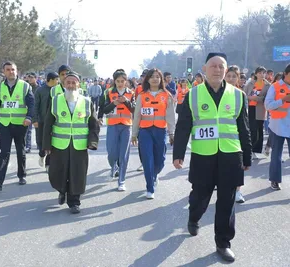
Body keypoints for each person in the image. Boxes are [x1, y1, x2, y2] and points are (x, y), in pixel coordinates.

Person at [173, 52, 252, 262]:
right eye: (213, 66)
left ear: (226, 70)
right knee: (200, 196)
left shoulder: (238, 95)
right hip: (203, 156)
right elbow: (183, 127)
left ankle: (223, 243)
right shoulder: (193, 94)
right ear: (205, 69)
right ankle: (194, 217)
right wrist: (178, 154)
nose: (217, 70)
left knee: (227, 201)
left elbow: (244, 128)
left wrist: (248, 156)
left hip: (231, 154)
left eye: (221, 66)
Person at [43, 71, 100, 214]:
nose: (71, 85)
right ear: (63, 84)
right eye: (68, 82)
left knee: (77, 174)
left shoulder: (87, 102)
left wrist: (92, 142)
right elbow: (48, 124)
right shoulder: (56, 100)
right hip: (59, 144)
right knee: (58, 173)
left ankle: (74, 202)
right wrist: (46, 145)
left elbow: (94, 124)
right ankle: (62, 190)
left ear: (78, 84)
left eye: (73, 82)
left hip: (79, 145)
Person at [0, 61, 34, 191]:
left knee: (20, 151)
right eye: (8, 69)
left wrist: (29, 117)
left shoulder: (25, 86)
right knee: (4, 151)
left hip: (20, 124)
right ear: (4, 72)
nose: (11, 72)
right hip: (5, 124)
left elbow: (31, 103)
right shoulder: (0, 87)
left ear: (17, 71)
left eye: (13, 69)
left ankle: (22, 175)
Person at [131, 68, 175, 199]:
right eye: (152, 77)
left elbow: (171, 116)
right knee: (147, 159)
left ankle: (154, 175)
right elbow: (137, 115)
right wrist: (134, 133)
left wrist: (172, 133)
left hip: (161, 131)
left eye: (157, 76)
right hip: (145, 131)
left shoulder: (167, 95)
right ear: (147, 79)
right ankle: (150, 187)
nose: (155, 79)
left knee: (160, 160)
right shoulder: (142, 95)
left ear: (161, 79)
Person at [103, 69, 136, 190]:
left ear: (126, 81)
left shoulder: (131, 93)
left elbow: (134, 110)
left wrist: (126, 102)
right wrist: (114, 103)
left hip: (126, 126)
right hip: (113, 125)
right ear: (114, 81)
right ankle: (113, 166)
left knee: (124, 154)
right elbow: (104, 109)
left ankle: (121, 181)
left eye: (123, 81)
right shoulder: (109, 92)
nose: (120, 83)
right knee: (112, 153)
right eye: (118, 81)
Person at [264, 64, 290, 190]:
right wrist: (283, 99)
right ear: (286, 73)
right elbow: (268, 105)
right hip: (278, 125)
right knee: (276, 155)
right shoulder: (275, 86)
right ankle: (275, 180)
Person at [224, 65, 246, 203]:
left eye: (234, 76)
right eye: (229, 76)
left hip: (236, 137)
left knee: (238, 165)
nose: (231, 79)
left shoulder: (240, 94)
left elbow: (244, 120)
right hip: (219, 138)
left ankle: (237, 191)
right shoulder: (217, 93)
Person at [33, 72, 59, 172]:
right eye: (56, 79)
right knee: (40, 141)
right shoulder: (40, 90)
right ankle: (41, 154)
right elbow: (35, 106)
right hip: (41, 120)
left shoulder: (58, 90)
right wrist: (35, 120)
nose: (58, 81)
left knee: (51, 143)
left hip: (53, 121)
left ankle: (48, 164)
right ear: (51, 80)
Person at [244, 66, 270, 159]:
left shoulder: (268, 85)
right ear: (256, 74)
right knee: (252, 129)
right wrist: (250, 97)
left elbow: (267, 98)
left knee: (259, 130)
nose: (261, 75)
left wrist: (258, 98)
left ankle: (257, 150)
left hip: (261, 109)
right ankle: (251, 150)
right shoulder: (250, 83)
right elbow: (244, 94)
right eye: (259, 73)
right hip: (251, 107)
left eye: (263, 73)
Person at [25, 72, 39, 153]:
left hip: (37, 111)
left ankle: (39, 144)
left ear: (35, 78)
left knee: (38, 129)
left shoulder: (39, 88)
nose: (30, 79)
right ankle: (28, 146)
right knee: (28, 130)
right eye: (29, 77)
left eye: (31, 77)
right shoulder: (26, 87)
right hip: (29, 111)